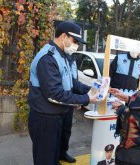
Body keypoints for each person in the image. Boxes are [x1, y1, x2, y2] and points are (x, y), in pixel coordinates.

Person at [28, 21, 98, 165]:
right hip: (45, 118)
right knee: (45, 159)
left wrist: (91, 90)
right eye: (75, 41)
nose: (77, 45)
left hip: (56, 116)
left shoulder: (62, 56)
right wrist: (85, 99)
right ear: (64, 36)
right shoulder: (48, 58)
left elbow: (71, 83)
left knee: (53, 156)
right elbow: (54, 94)